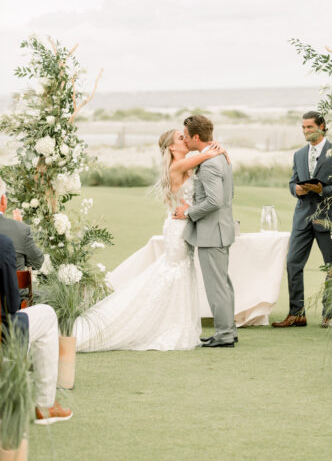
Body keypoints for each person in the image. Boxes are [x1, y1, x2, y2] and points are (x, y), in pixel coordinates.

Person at [74, 129, 227, 352]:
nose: (185, 139)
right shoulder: (177, 166)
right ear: (172, 147)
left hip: (182, 224)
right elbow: (206, 154)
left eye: (184, 136)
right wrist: (218, 149)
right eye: (180, 138)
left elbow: (204, 158)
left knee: (181, 274)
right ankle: (163, 325)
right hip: (177, 228)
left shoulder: (185, 163)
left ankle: (176, 324)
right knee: (174, 274)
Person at [272, 111, 332, 329]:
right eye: (303, 128)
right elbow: (292, 182)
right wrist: (296, 189)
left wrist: (323, 189)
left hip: (328, 219)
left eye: (310, 127)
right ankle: (297, 314)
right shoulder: (299, 155)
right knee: (293, 263)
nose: (306, 131)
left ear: (322, 127)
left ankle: (328, 315)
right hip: (302, 217)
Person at [174, 115, 237, 348]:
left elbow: (214, 200)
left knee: (216, 286)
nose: (185, 140)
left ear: (196, 137)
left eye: (187, 136)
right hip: (221, 229)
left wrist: (188, 213)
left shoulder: (210, 164)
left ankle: (224, 335)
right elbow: (229, 194)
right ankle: (228, 330)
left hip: (212, 232)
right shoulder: (220, 156)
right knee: (223, 284)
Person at [0, 233, 72, 425]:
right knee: (47, 315)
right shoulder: (3, 243)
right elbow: (12, 304)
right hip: (4, 333)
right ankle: (46, 404)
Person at [0, 176, 44, 271]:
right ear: (3, 199)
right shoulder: (20, 230)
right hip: (10, 286)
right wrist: (18, 228)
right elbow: (37, 263)